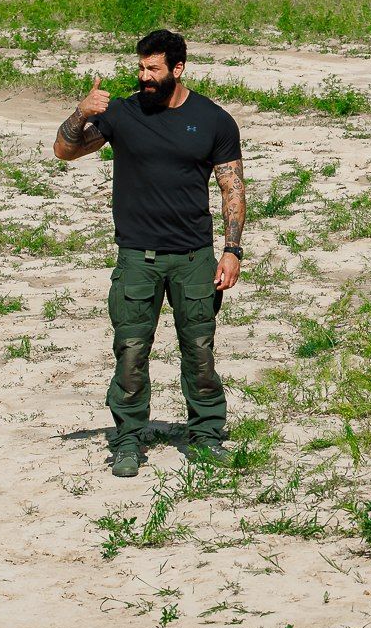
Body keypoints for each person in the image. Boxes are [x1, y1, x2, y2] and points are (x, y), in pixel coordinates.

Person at [54, 28, 247, 476]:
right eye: (141, 67)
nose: (144, 77)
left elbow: (232, 188)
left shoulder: (214, 120)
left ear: (177, 69)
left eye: (153, 69)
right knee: (131, 352)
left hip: (193, 258)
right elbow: (65, 151)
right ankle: (127, 440)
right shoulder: (123, 113)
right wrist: (82, 112)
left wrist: (232, 250)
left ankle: (206, 435)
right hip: (136, 258)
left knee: (199, 351)